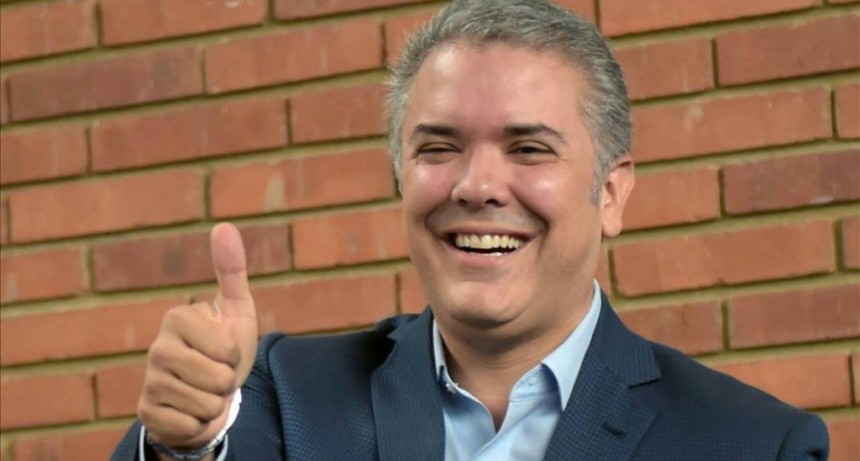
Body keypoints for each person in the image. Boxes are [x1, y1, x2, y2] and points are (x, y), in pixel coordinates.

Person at [111, 0, 830, 460]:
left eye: (529, 148)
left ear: (611, 194)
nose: (476, 186)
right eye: (438, 147)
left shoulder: (754, 444)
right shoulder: (281, 397)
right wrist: (183, 446)